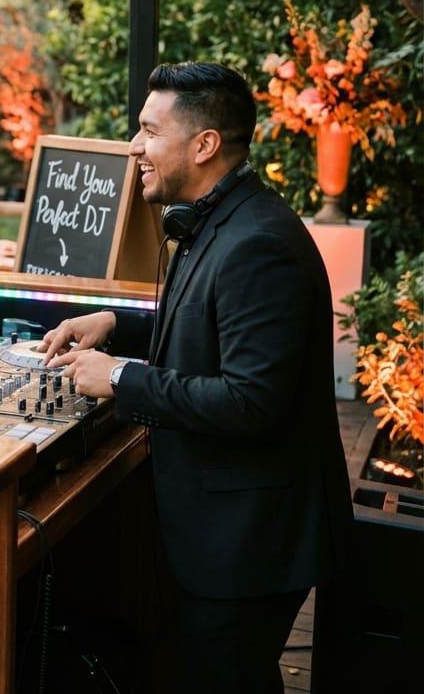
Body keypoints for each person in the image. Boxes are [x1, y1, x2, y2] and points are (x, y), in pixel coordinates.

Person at [41, 61, 352, 693]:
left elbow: (252, 400)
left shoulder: (257, 244)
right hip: (231, 535)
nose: (134, 147)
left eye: (149, 131)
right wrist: (116, 324)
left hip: (251, 545)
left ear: (204, 144)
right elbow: (206, 327)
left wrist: (123, 378)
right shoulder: (221, 218)